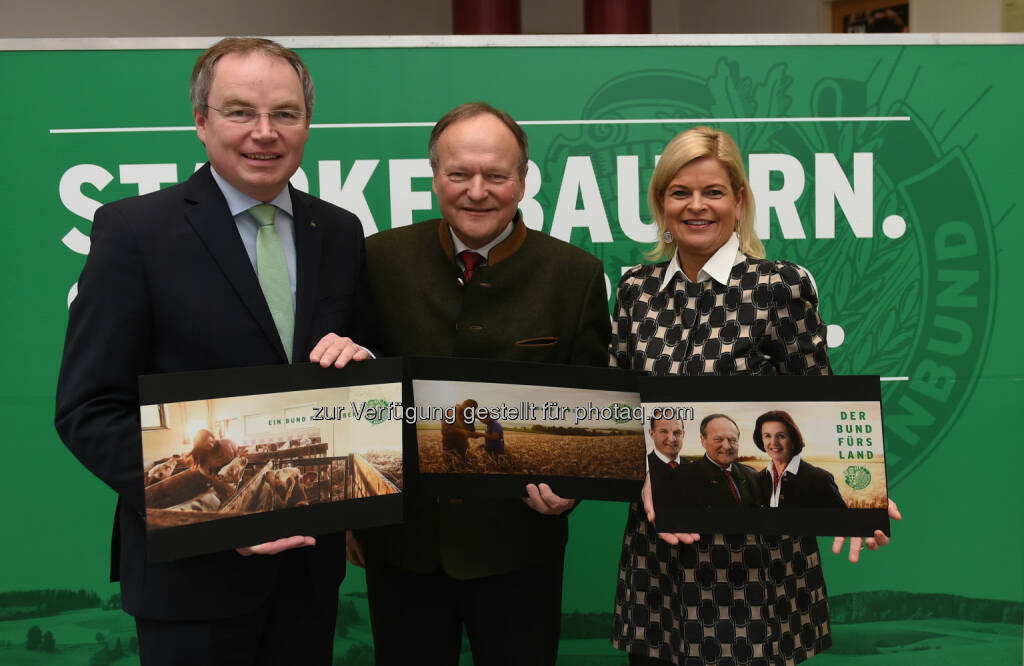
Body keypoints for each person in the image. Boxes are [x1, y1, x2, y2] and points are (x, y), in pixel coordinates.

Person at [54, 37, 374, 666]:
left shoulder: (337, 231)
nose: (264, 133)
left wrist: (362, 372)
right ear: (200, 121)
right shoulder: (134, 232)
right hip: (189, 584)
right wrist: (229, 511)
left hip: (308, 579)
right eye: (239, 112)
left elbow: (351, 376)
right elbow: (90, 410)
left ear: (308, 123)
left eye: (285, 113)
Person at [609, 126, 900, 665]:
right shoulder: (635, 292)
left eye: (714, 192)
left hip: (757, 563)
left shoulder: (779, 286)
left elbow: (820, 402)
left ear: (739, 201)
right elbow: (619, 416)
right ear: (660, 203)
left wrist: (863, 497)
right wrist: (640, 473)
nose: (697, 205)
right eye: (680, 192)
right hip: (661, 556)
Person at [341, 102, 610, 666]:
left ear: (523, 180)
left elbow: (591, 407)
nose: (477, 191)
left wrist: (571, 483)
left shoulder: (575, 275)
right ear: (435, 176)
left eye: (496, 175)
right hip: (402, 547)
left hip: (519, 548)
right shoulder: (377, 259)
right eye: (459, 174)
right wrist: (349, 509)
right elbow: (355, 394)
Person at [754, 410, 846, 508]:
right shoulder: (760, 478)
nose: (774, 442)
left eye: (781, 436)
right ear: (762, 440)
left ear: (793, 440)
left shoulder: (820, 479)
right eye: (767, 436)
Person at [677, 413, 762, 508]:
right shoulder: (681, 478)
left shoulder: (753, 475)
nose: (726, 446)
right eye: (718, 439)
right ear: (703, 440)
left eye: (732, 440)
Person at [646, 414, 686, 514]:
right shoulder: (642, 468)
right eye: (664, 431)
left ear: (683, 434)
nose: (672, 438)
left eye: (677, 432)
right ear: (652, 433)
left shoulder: (695, 469)